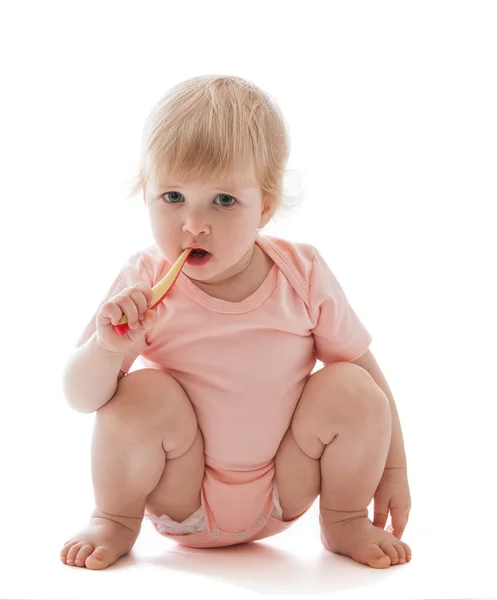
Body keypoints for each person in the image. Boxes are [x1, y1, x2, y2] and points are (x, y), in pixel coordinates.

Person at [60, 75, 412, 570]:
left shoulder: (302, 273)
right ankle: (114, 519)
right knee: (140, 392)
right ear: (146, 196)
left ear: (264, 207)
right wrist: (108, 348)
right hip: (180, 495)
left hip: (282, 489)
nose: (194, 223)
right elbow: (81, 398)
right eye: (173, 197)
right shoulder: (143, 281)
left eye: (223, 201)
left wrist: (393, 468)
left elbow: (368, 376)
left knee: (351, 384)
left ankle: (345, 517)